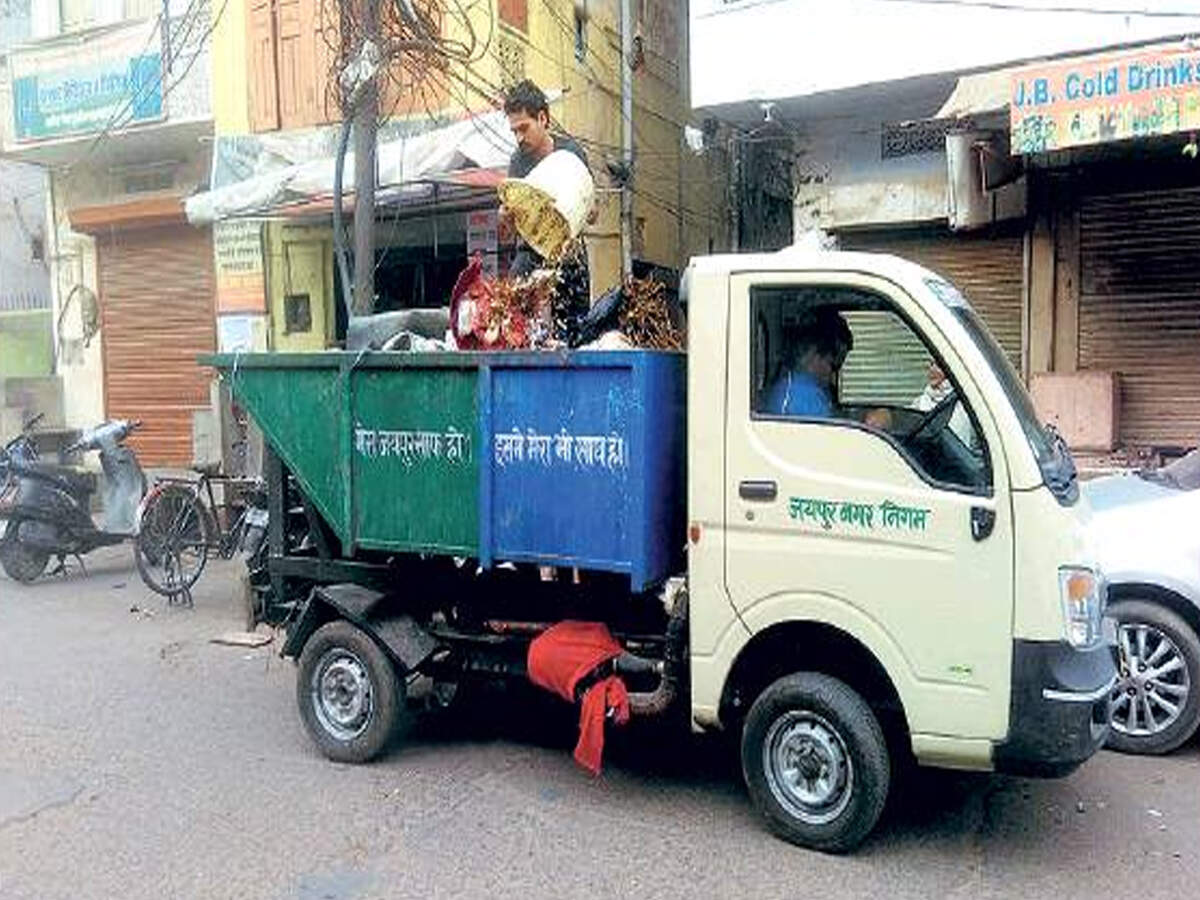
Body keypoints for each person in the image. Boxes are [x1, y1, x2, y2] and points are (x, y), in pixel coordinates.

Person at [502, 81, 591, 283]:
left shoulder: (571, 153)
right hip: (529, 256)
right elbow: (512, 228)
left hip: (570, 258)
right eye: (514, 131)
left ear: (542, 118)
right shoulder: (517, 163)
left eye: (524, 128)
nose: (519, 138)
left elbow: (591, 212)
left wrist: (586, 210)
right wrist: (505, 217)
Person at [762, 308, 853, 418]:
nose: (833, 378)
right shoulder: (804, 397)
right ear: (813, 355)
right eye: (833, 366)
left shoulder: (791, 385)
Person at [913, 360, 975, 448]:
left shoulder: (965, 403)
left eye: (938, 365)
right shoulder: (919, 402)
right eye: (931, 364)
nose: (932, 369)